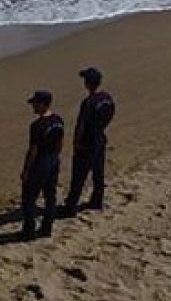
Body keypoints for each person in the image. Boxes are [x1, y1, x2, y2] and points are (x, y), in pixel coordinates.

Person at [63, 67, 116, 216]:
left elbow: (81, 125)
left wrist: (76, 143)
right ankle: (97, 200)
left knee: (78, 177)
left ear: (87, 83)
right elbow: (111, 113)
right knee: (98, 173)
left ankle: (71, 207)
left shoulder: (88, 103)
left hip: (87, 142)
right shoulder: (106, 98)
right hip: (100, 138)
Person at [20, 90, 64, 240]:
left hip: (40, 163)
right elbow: (60, 142)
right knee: (50, 195)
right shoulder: (58, 120)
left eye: (35, 104)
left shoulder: (37, 126)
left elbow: (33, 150)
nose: (33, 106)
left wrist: (26, 170)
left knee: (29, 198)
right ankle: (47, 228)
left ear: (42, 104)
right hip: (53, 160)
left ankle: (29, 231)